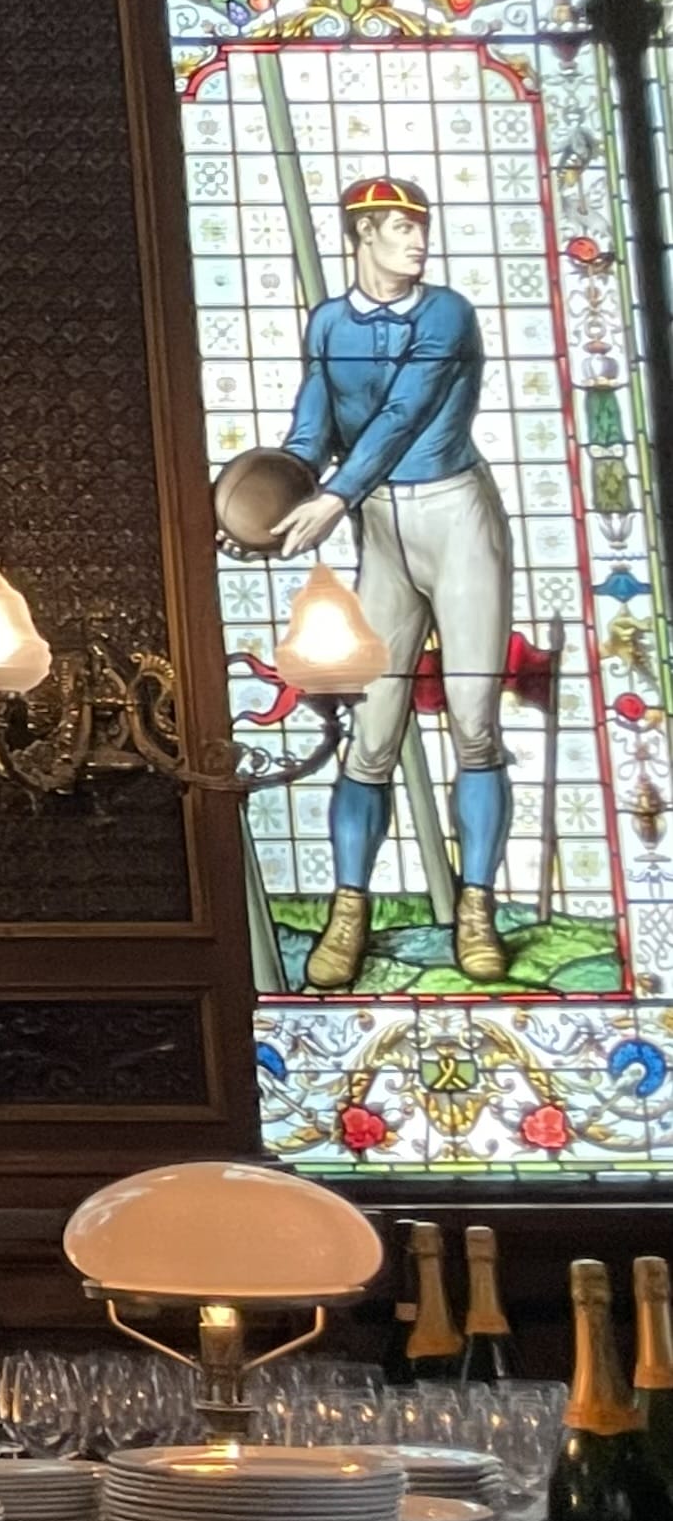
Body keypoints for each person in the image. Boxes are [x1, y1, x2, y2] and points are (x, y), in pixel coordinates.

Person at [274, 173, 516, 987]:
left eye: (421, 226)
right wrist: (273, 495)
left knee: (475, 721)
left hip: (458, 519)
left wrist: (334, 496)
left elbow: (403, 413)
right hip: (381, 530)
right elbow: (316, 424)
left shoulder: (446, 312)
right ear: (362, 235)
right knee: (371, 734)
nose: (418, 241)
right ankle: (351, 911)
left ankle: (475, 907)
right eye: (399, 228)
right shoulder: (328, 322)